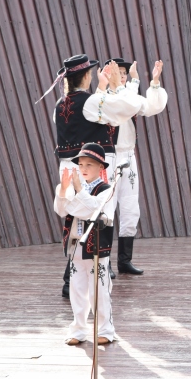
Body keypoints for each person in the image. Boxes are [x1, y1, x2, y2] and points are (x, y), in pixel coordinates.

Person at [47, 55, 124, 296]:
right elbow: (114, 118)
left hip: (67, 166)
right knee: (97, 213)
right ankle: (95, 269)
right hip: (89, 166)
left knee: (73, 216)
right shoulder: (92, 102)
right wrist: (110, 88)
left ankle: (70, 278)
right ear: (87, 76)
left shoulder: (59, 105)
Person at [84, 58, 167, 274]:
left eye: (123, 73)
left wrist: (155, 82)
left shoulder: (128, 97)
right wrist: (128, 86)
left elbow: (152, 106)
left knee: (130, 207)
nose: (120, 76)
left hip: (128, 156)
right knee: (106, 208)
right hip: (108, 158)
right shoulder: (102, 99)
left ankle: (124, 259)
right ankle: (105, 261)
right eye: (116, 72)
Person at [54, 143, 118, 346]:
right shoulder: (73, 188)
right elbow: (62, 210)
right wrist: (64, 190)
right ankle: (78, 330)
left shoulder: (106, 190)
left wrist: (79, 192)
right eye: (81, 164)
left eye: (89, 164)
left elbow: (94, 210)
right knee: (77, 289)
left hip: (97, 246)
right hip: (76, 246)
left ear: (101, 167)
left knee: (99, 290)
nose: (83, 168)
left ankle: (106, 330)